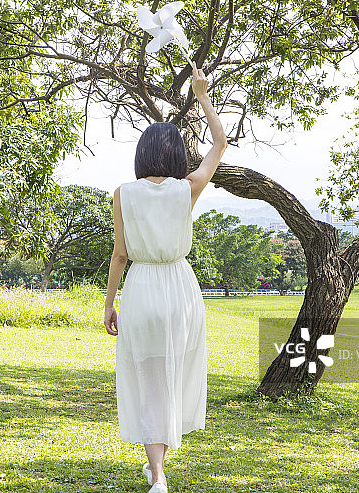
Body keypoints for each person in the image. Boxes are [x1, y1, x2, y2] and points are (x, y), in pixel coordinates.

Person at [103, 62, 228, 493]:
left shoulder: (123, 193)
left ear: (142, 155)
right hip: (180, 288)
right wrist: (202, 92)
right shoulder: (186, 188)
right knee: (174, 371)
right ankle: (159, 471)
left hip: (141, 288)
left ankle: (157, 473)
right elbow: (220, 144)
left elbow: (119, 255)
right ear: (175, 154)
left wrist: (108, 304)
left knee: (147, 374)